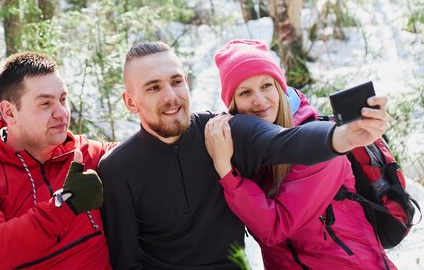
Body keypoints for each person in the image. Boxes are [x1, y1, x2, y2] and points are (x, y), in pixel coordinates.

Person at [98, 41, 391, 270]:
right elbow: (127, 262)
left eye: (176, 81)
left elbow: (282, 141)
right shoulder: (118, 169)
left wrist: (340, 136)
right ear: (130, 101)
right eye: (153, 87)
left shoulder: (222, 132)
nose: (171, 96)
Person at [205, 39, 396, 270]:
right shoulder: (243, 148)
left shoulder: (319, 148)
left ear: (280, 89)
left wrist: (226, 171)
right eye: (245, 92)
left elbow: (274, 227)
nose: (259, 100)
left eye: (266, 85)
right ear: (233, 104)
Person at [0, 51, 115, 270]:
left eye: (63, 99)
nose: (62, 113)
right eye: (45, 103)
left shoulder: (87, 153)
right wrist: (65, 204)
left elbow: (144, 156)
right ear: (9, 112)